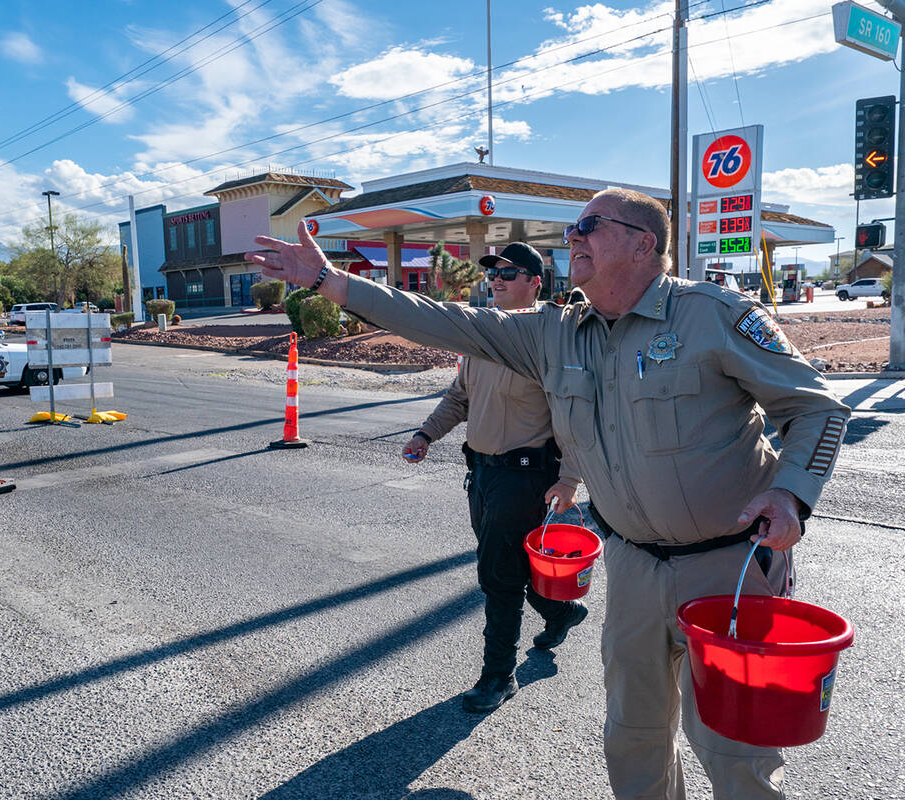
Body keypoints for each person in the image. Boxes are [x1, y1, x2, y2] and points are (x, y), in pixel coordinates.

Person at [247, 190, 850, 800]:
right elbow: (442, 319)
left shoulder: (711, 315)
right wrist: (329, 280)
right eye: (572, 228)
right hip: (634, 564)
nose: (574, 237)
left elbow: (819, 410)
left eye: (589, 225)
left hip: (731, 568)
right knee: (633, 737)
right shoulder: (555, 333)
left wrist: (790, 496)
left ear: (644, 244)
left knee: (734, 752)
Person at [402, 242, 587, 713]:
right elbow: (459, 398)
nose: (497, 279)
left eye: (510, 272)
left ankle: (498, 676)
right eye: (494, 273)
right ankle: (563, 611)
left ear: (534, 281)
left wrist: (569, 479)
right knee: (511, 564)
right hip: (481, 475)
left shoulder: (550, 339)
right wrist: (427, 434)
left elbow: (574, 416)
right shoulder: (481, 338)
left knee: (497, 577)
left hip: (526, 477)